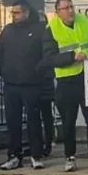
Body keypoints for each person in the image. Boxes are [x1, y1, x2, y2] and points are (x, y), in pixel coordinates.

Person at [40, 0, 88, 172]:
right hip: (67, 80)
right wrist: (71, 57)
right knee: (68, 122)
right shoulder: (51, 29)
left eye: (71, 7)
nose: (70, 11)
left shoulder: (85, 23)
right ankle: (70, 157)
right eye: (65, 8)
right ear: (58, 12)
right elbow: (49, 58)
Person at [0, 0, 47, 170]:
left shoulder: (39, 30)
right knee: (12, 121)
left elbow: (45, 53)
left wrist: (39, 70)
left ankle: (36, 155)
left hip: (32, 83)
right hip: (11, 84)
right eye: (12, 13)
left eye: (16, 13)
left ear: (26, 12)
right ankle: (14, 155)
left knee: (33, 120)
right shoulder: (8, 30)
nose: (13, 16)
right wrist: (0, 68)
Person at [37, 12, 56, 157]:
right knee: (45, 113)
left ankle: (47, 142)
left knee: (44, 113)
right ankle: (47, 142)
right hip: (45, 76)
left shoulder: (46, 35)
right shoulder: (47, 33)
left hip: (44, 77)